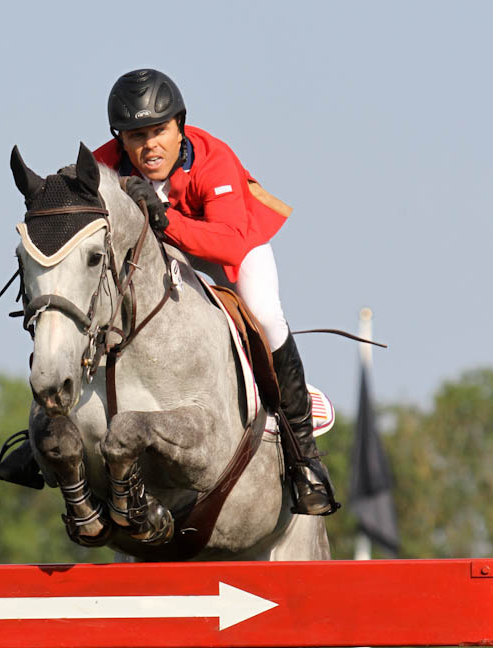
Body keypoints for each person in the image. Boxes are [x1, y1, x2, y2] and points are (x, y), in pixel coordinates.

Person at [93, 68, 339, 516]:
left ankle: (303, 455)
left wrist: (164, 219)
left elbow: (227, 241)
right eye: (135, 136)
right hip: (159, 256)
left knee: (264, 314)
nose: (149, 146)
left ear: (179, 125)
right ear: (120, 140)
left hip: (230, 244)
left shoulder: (213, 158)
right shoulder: (104, 163)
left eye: (159, 131)